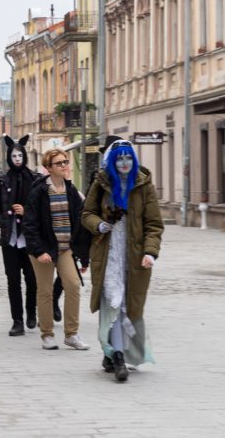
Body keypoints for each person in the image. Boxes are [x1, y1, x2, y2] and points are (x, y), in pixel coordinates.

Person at [82, 141, 163, 382]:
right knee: (113, 302)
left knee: (130, 306)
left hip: (135, 257)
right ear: (112, 161)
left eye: (129, 158)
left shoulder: (143, 185)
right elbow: (87, 213)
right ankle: (118, 357)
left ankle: (113, 351)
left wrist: (150, 252)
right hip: (108, 254)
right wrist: (99, 224)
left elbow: (154, 224)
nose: (125, 163)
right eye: (120, 159)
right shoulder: (102, 182)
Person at [23, 149, 90, 351]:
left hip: (65, 248)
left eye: (65, 162)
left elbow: (81, 223)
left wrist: (84, 257)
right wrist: (38, 250)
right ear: (48, 168)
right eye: (59, 163)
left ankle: (71, 334)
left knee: (73, 285)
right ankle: (47, 334)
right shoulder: (39, 192)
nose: (64, 166)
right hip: (43, 249)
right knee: (45, 291)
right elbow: (30, 225)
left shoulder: (71, 191)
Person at [0, 134, 40, 336]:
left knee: (32, 278)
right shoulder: (2, 181)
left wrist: (26, 212)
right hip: (9, 238)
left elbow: (41, 209)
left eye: (20, 155)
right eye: (14, 156)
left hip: (29, 239)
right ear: (9, 157)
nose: (17, 159)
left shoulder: (35, 180)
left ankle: (31, 312)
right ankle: (17, 320)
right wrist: (2, 222)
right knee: (13, 281)